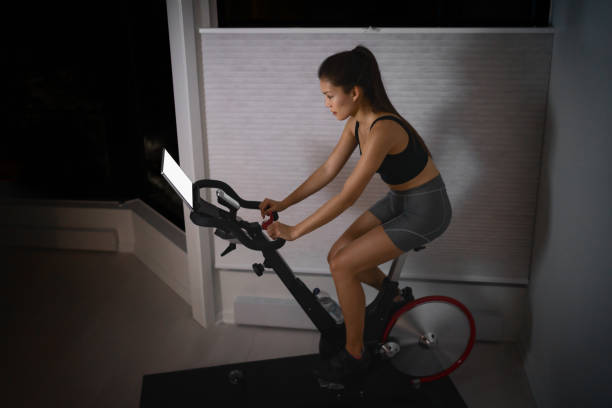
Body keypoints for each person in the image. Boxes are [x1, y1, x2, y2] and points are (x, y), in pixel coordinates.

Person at [259, 45, 452, 384]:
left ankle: (355, 354)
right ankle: (392, 297)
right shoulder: (355, 123)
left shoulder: (382, 129)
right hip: (401, 199)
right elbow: (328, 170)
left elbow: (349, 196)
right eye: (325, 96)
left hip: (427, 210)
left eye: (330, 95)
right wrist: (284, 203)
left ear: (355, 92)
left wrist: (295, 231)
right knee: (338, 255)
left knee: (342, 265)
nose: (327, 103)